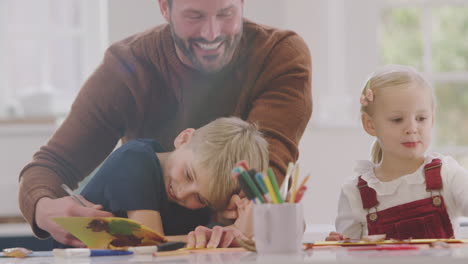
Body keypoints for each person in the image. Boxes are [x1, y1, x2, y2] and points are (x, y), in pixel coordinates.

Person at [18, 0, 312, 247]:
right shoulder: (128, 66)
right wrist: (44, 208)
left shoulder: (279, 55)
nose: (212, 33)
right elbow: (50, 166)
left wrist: (247, 221)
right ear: (165, 7)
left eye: (226, 13)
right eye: (194, 15)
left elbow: (263, 171)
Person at [75, 117, 267, 247]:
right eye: (189, 175)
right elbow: (147, 246)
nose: (183, 193)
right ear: (184, 138)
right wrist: (230, 232)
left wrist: (227, 215)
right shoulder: (135, 160)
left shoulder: (199, 206)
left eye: (200, 198)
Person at [327, 65, 468, 241]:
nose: (412, 128)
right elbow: (348, 254)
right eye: (397, 120)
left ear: (433, 119)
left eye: (421, 118)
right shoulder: (354, 193)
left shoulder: (447, 174)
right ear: (370, 124)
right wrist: (339, 247)